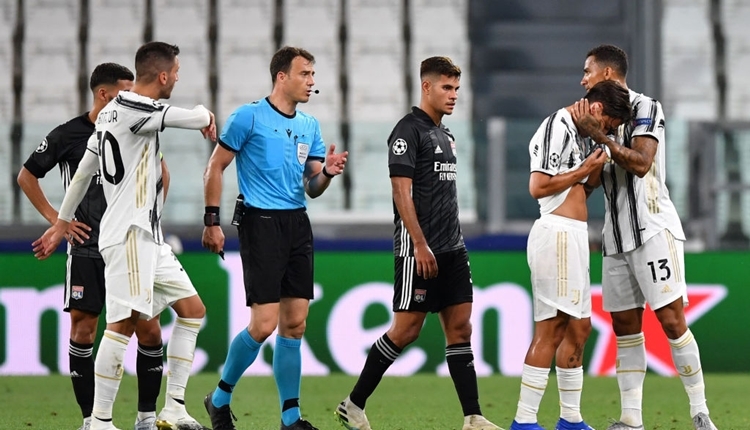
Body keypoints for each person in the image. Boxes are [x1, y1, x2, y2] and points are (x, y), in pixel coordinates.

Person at [33, 41, 216, 430]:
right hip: (129, 235)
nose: (178, 78)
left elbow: (83, 173)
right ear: (163, 75)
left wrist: (61, 222)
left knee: (193, 310)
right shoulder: (138, 108)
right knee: (121, 325)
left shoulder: (109, 114)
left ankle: (174, 408)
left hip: (148, 236)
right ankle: (99, 421)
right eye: (177, 72)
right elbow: (196, 116)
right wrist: (207, 114)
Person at [333, 56, 500, 430]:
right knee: (406, 330)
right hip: (418, 249)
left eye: (457, 88)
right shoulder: (407, 131)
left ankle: (473, 417)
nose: (454, 95)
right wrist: (419, 244)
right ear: (426, 87)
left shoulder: (447, 135)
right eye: (446, 87)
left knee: (461, 329)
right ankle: (353, 404)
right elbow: (400, 193)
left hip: (453, 248)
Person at [201, 46, 347, 430]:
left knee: (295, 323)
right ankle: (218, 398)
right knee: (264, 324)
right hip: (260, 223)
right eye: (305, 74)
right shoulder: (248, 117)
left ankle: (290, 417)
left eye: (314, 75)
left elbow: (312, 186)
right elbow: (215, 167)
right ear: (281, 76)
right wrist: (211, 220)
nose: (312, 82)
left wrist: (327, 173)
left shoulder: (309, 126)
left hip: (297, 223)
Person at [18, 62, 168, 430]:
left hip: (131, 247)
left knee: (149, 330)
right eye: (124, 92)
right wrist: (59, 220)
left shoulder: (136, 126)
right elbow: (27, 175)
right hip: (87, 247)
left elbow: (163, 175)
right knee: (84, 330)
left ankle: (146, 418)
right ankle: (92, 421)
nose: (132, 98)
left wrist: (151, 218)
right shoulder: (70, 134)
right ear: (103, 94)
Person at [576, 44, 718, 430]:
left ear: (607, 73)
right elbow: (591, 182)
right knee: (624, 327)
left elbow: (640, 164)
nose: (582, 78)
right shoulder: (592, 116)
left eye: (587, 71)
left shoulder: (646, 107)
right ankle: (631, 420)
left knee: (672, 321)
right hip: (614, 237)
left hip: (653, 229)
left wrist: (602, 140)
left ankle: (700, 412)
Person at [510, 80, 632, 430]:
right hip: (557, 235)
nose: (608, 131)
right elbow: (539, 186)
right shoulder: (557, 126)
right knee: (552, 328)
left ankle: (571, 420)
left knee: (579, 329)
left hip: (576, 237)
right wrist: (582, 170)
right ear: (596, 109)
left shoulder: (583, 136)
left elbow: (584, 188)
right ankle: (525, 420)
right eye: (609, 124)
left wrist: (594, 160)